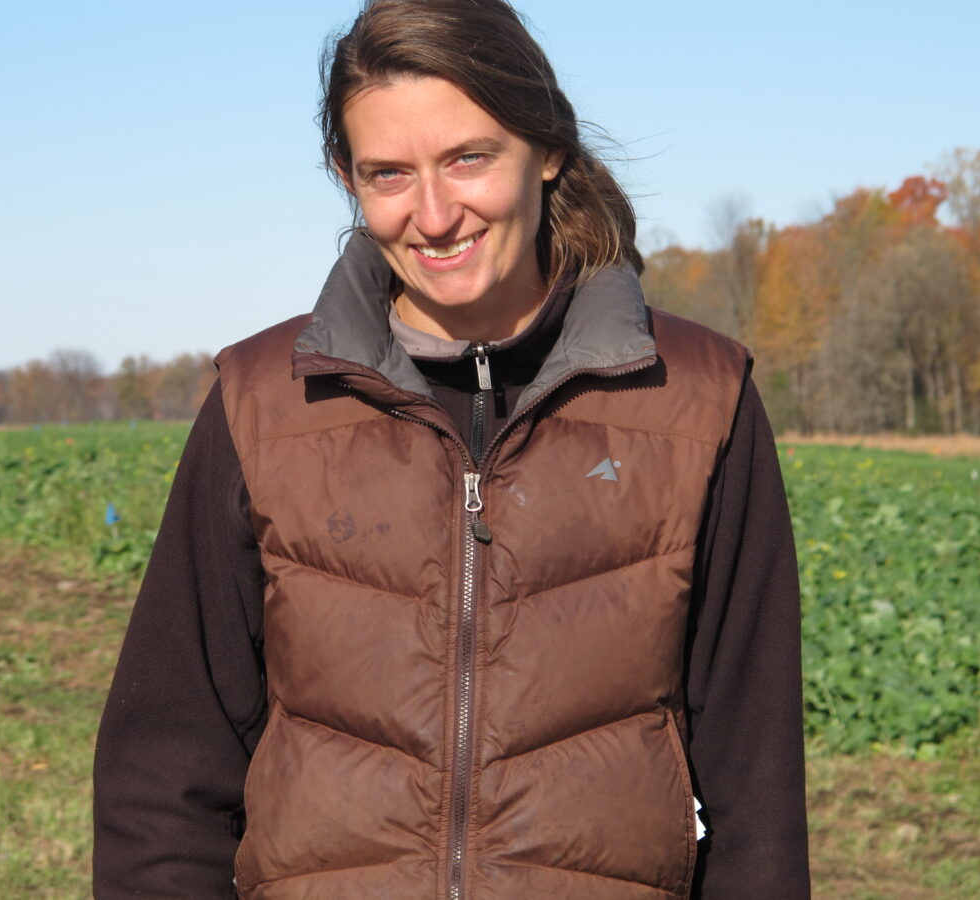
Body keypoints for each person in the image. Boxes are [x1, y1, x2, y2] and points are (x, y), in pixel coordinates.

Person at [92, 1, 810, 897]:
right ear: (345, 177)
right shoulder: (263, 402)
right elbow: (162, 781)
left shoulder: (699, 398)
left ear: (546, 149)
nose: (433, 216)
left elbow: (759, 801)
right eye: (387, 173)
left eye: (468, 158)